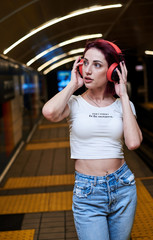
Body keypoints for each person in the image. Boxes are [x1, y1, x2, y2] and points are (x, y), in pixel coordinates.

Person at [42, 39, 143, 240]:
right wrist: (72, 85)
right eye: (85, 63)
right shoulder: (74, 103)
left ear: (111, 72)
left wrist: (123, 96)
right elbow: (49, 112)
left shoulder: (123, 105)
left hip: (123, 186)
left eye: (97, 65)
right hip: (88, 192)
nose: (87, 70)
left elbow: (133, 143)